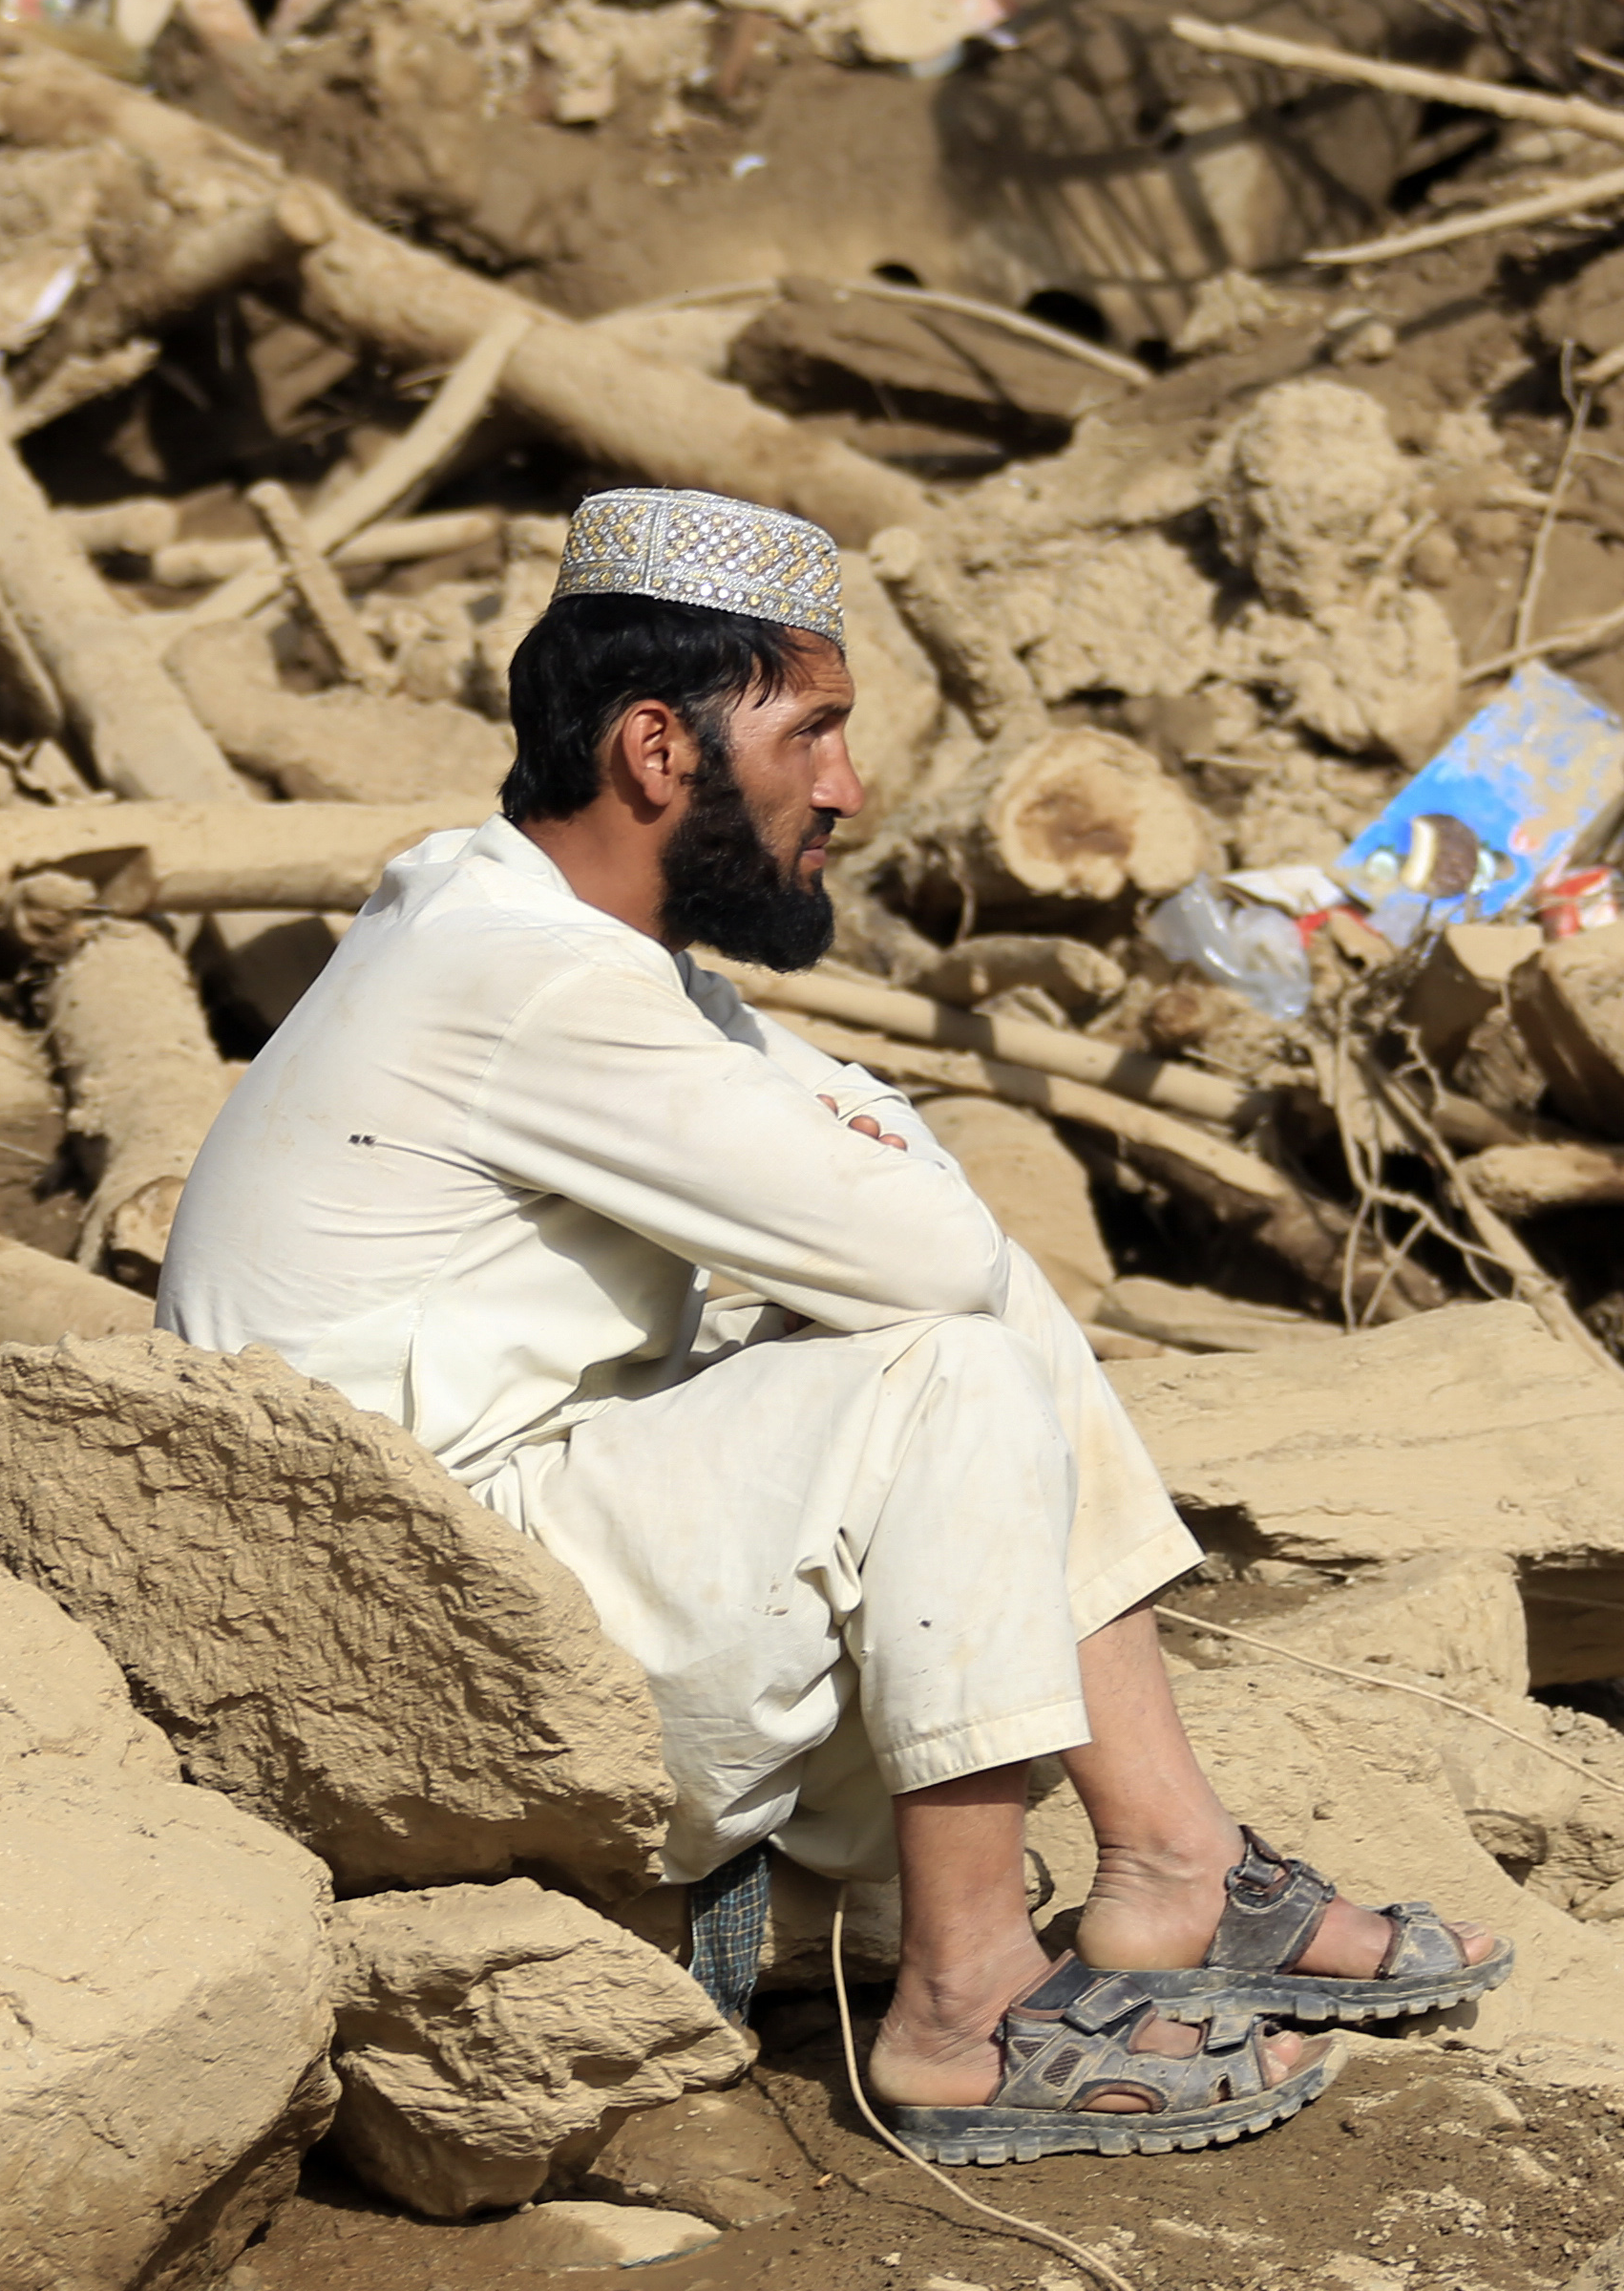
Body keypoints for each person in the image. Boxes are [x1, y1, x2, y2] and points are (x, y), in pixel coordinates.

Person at [158, 486, 1505, 2164]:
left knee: (970, 1316)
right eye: (818, 733)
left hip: (508, 1546)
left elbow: (925, 1213)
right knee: (946, 1370)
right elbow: (927, 1257)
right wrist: (871, 1166)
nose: (848, 792)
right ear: (661, 750)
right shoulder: (528, 981)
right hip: (427, 1639)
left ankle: (1177, 1869)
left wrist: (868, 1165)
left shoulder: (549, 933)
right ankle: (967, 2009)